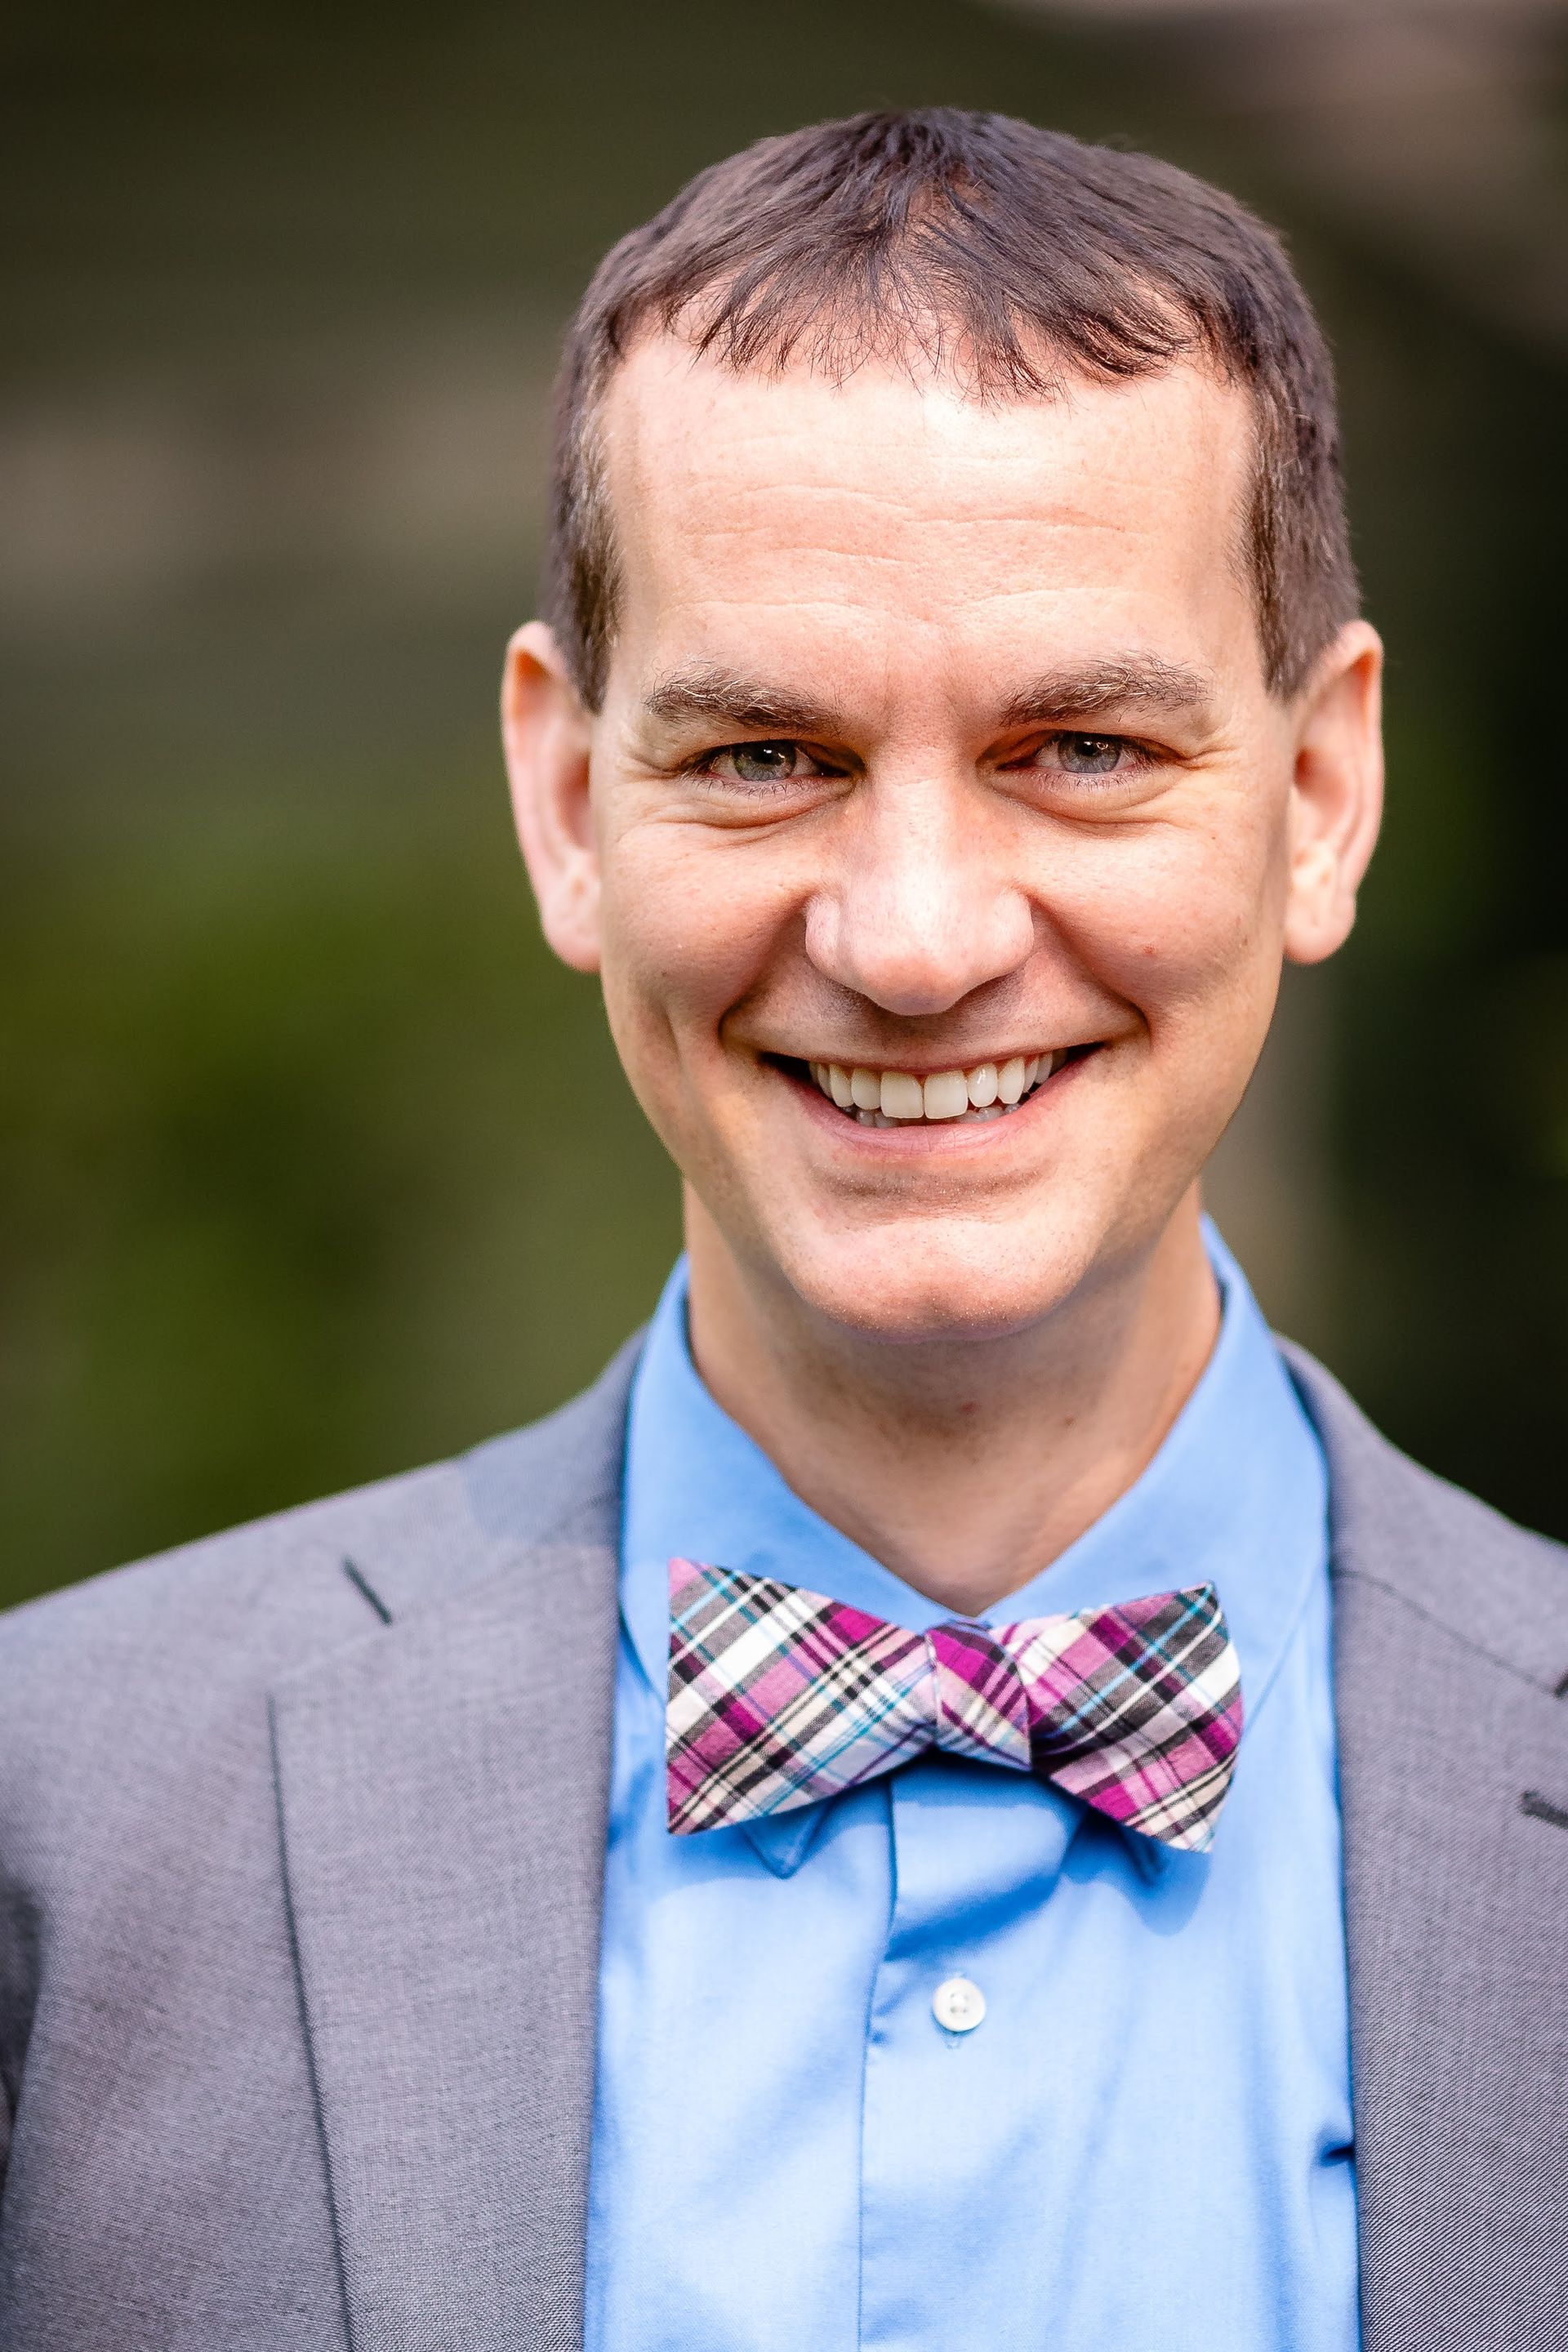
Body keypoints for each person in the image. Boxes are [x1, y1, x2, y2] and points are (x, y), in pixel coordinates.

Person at [0, 106, 1562, 2352]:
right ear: (566, 805)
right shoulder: (54, 1822)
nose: (916, 939)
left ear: (1319, 799)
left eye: (1085, 748)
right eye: (765, 758)